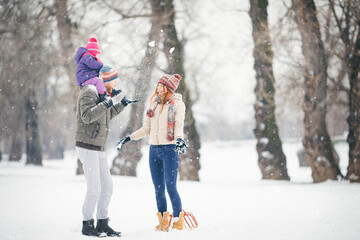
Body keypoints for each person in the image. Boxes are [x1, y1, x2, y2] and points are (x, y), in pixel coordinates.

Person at [116, 74, 188, 232]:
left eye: (163, 86)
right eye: (158, 86)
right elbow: (146, 129)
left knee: (171, 187)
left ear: (169, 88)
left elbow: (178, 125)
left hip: (169, 149)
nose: (159, 89)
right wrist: (129, 137)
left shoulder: (177, 104)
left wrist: (179, 139)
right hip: (153, 150)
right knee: (158, 189)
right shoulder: (153, 104)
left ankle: (178, 220)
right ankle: (162, 222)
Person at [75, 64, 137, 237]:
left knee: (107, 187)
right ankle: (87, 225)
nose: (117, 82)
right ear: (107, 80)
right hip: (87, 146)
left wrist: (121, 104)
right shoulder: (89, 91)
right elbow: (87, 116)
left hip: (98, 147)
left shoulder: (102, 94)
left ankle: (102, 223)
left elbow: (105, 117)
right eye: (114, 79)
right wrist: (105, 103)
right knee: (94, 188)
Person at [74, 38, 119, 102]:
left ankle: (109, 92)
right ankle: (102, 96)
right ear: (93, 52)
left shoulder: (87, 57)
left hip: (86, 78)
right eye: (97, 54)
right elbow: (93, 64)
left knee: (102, 81)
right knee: (99, 81)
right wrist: (101, 65)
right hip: (84, 79)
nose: (97, 56)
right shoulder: (87, 57)